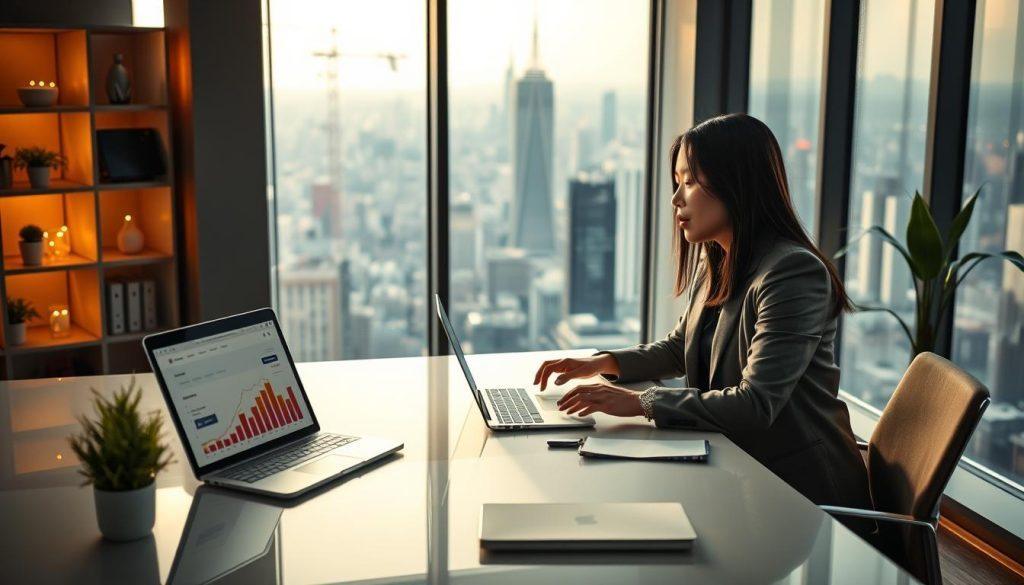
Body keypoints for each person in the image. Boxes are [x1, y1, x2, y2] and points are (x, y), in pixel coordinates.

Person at [533, 113, 871, 509]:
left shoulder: (792, 273)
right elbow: (681, 348)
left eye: (689, 182)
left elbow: (756, 404)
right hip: (736, 464)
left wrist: (642, 402)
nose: (676, 199)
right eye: (677, 183)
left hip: (799, 489)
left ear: (736, 183)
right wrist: (602, 363)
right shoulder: (717, 260)